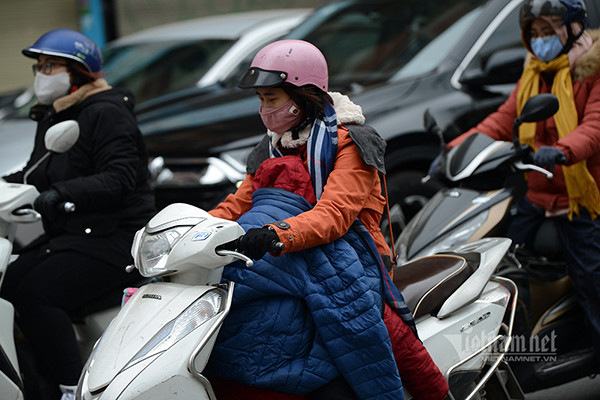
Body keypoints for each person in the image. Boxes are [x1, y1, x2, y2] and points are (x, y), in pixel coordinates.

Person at [206, 39, 448, 400]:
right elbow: (237, 204)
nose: (264, 109)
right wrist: (188, 230)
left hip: (354, 257)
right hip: (290, 255)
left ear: (302, 95)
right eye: (260, 99)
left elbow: (335, 214)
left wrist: (275, 234)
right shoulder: (270, 148)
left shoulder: (351, 143)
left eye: (271, 99)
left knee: (370, 330)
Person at [432, 0, 600, 364]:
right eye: (534, 33)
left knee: (592, 281)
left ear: (573, 30)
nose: (540, 40)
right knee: (497, 264)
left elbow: (594, 127)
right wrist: (453, 150)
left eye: (548, 31)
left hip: (581, 202)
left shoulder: (592, 71)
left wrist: (562, 150)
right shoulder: (534, 74)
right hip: (537, 197)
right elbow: (502, 120)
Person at [0, 29, 156, 400]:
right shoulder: (56, 114)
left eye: (49, 66)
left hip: (116, 236)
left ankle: (72, 388)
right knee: (9, 283)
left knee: (37, 294)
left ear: (76, 72)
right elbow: (37, 171)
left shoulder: (106, 112)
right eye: (39, 67)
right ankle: (36, 384)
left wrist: (62, 194)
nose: (41, 74)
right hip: (75, 234)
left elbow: (119, 177)